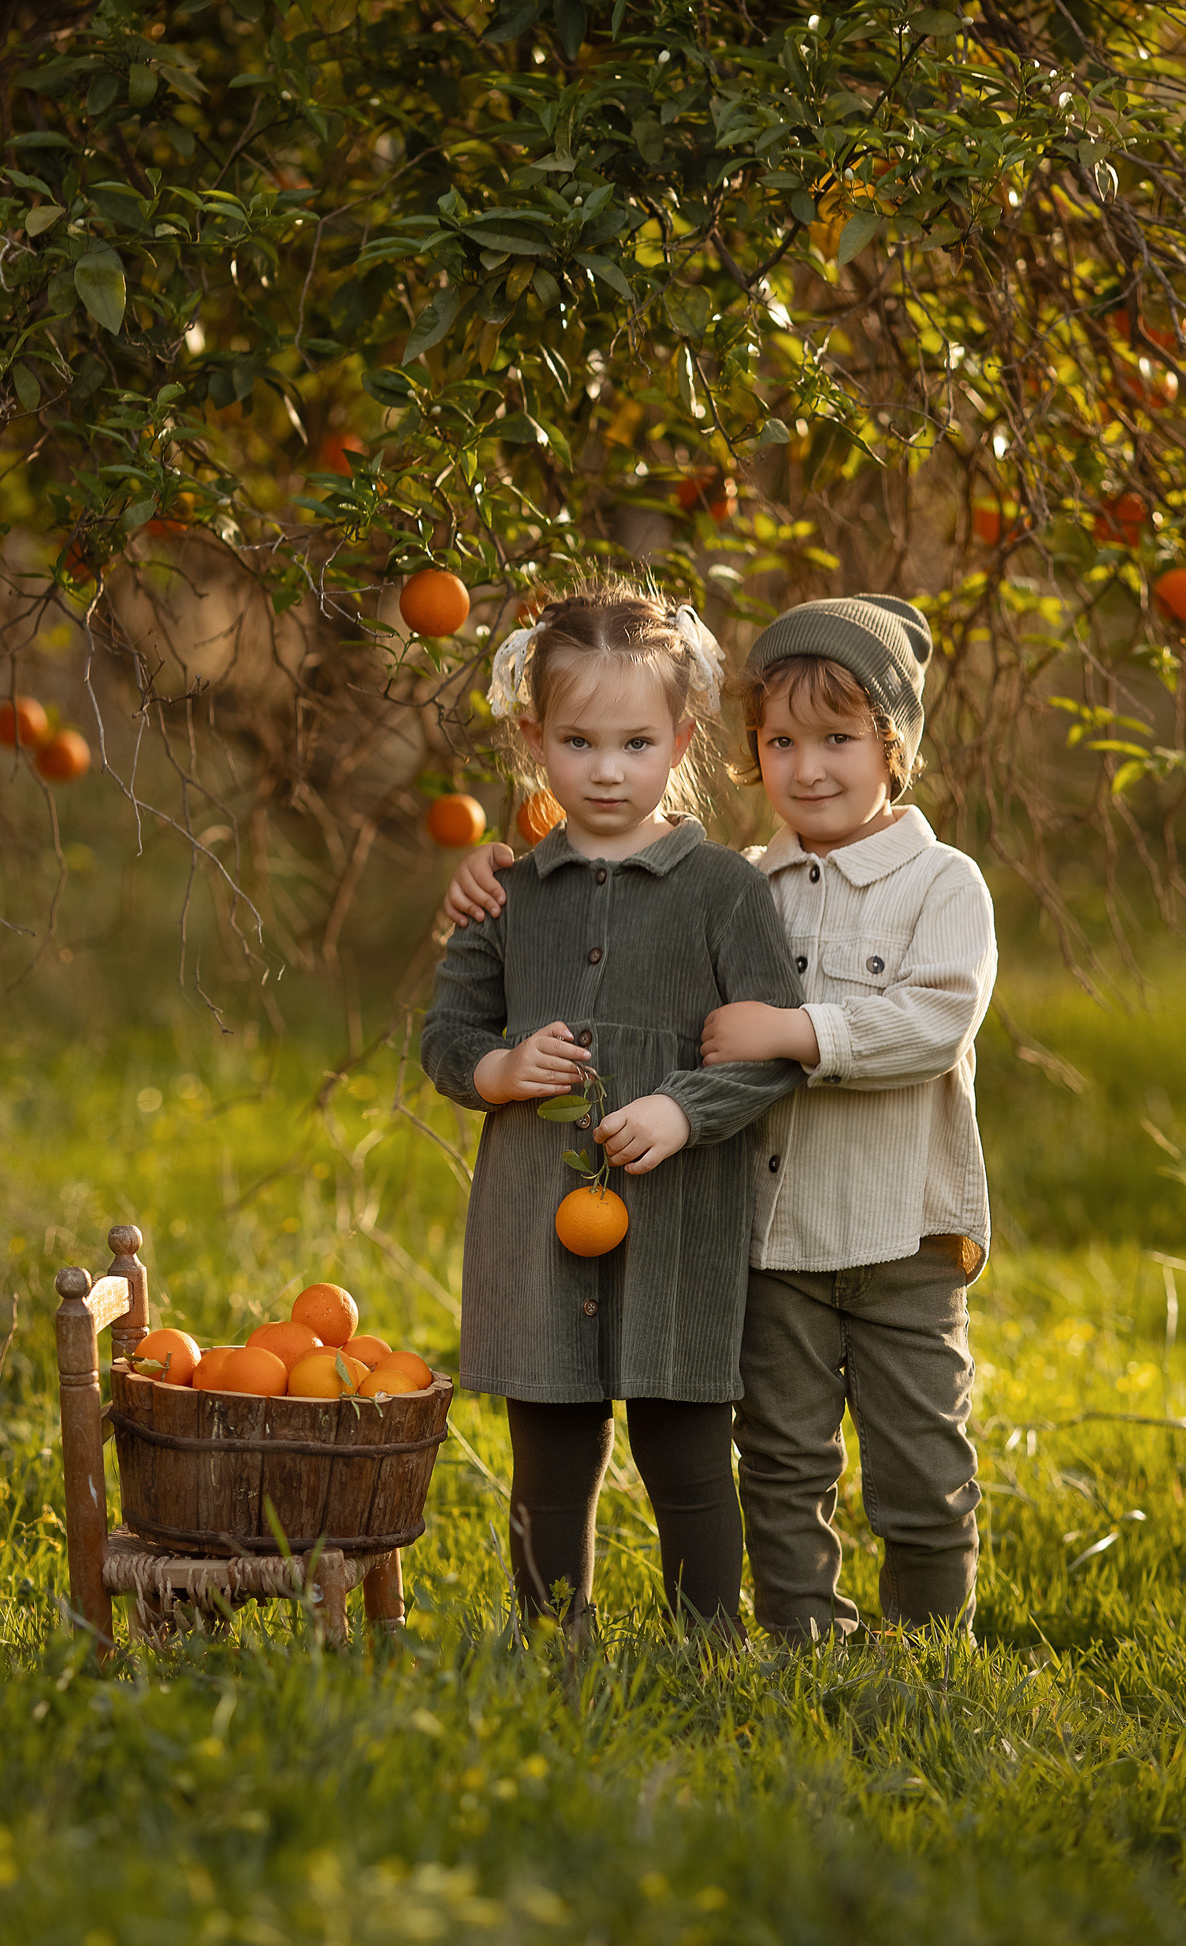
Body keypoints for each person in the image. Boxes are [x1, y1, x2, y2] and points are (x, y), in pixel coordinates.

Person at [443, 593, 997, 1644]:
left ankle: (927, 1646)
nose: (808, 766)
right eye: (781, 741)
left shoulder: (930, 884)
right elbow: (556, 934)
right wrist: (484, 878)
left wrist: (789, 1035)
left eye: (838, 738)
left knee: (919, 1458)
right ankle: (799, 1638)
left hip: (896, 1233)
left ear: (893, 744)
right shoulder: (752, 880)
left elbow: (930, 1020)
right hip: (769, 1240)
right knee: (782, 1460)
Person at [419, 583, 806, 1638]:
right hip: (533, 1225)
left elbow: (773, 1047)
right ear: (534, 738)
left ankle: (704, 1641)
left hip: (678, 1221)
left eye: (635, 742)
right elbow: (444, 1037)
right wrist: (498, 1071)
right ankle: (554, 1636)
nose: (605, 768)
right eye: (579, 740)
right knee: (550, 1454)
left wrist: (682, 1108)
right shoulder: (507, 892)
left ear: (678, 739)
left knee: (683, 1453)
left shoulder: (723, 890)